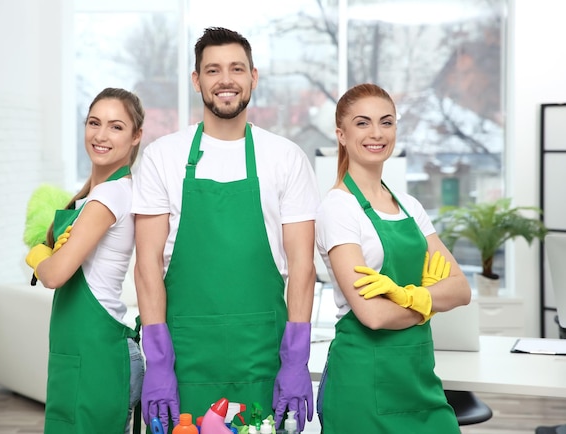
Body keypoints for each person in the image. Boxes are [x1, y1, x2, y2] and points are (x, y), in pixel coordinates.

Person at [132, 27, 319, 433]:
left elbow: (303, 267)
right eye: (213, 70)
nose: (226, 80)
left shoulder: (286, 158)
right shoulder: (162, 157)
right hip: (184, 358)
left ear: (254, 76)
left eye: (236, 68)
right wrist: (159, 362)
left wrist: (295, 360)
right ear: (197, 81)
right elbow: (147, 266)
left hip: (263, 357)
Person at [315, 83, 472, 433]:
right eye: (362, 123)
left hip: (418, 378)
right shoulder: (338, 207)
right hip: (363, 381)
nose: (376, 133)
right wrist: (430, 300)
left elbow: (461, 289)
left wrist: (408, 297)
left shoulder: (409, 206)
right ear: (341, 134)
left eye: (386, 122)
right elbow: (371, 315)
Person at [25, 87, 145, 434]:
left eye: (116, 126)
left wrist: (39, 256)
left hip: (95, 357)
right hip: (84, 352)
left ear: (137, 136)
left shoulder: (109, 194)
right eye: (94, 123)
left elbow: (55, 275)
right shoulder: (94, 194)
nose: (101, 135)